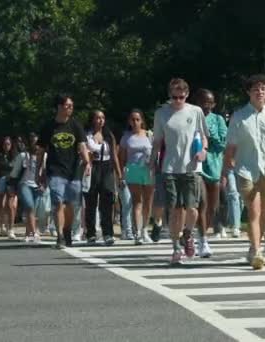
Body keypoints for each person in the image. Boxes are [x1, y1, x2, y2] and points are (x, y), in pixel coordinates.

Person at [223, 74, 265, 270]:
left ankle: (253, 247)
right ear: (248, 93)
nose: (259, 92)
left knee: (264, 212)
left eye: (262, 89)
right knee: (254, 209)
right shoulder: (239, 116)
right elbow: (231, 144)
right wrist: (228, 164)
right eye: (255, 89)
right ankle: (257, 250)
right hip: (246, 169)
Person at [150, 78, 209, 265]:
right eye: (174, 97)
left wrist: (203, 151)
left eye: (181, 97)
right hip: (169, 168)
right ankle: (176, 247)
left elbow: (204, 136)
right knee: (175, 210)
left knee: (192, 208)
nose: (177, 101)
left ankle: (188, 233)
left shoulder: (196, 111)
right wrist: (153, 160)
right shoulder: (161, 114)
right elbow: (158, 141)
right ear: (169, 95)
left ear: (187, 95)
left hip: (191, 167)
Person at [37, 94, 91, 249]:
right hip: (55, 170)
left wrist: (87, 162)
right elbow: (40, 151)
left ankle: (67, 230)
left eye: (72, 106)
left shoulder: (75, 125)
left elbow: (82, 145)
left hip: (74, 171)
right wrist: (38, 171)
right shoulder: (48, 127)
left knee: (71, 204)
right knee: (58, 202)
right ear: (59, 107)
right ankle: (60, 235)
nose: (71, 108)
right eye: (68, 105)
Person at [84, 110, 122, 246]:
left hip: (106, 167)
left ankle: (108, 233)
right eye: (97, 118)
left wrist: (119, 174)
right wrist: (88, 156)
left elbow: (114, 156)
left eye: (102, 118)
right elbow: (81, 151)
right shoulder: (86, 135)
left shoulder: (108, 135)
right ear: (92, 119)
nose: (100, 120)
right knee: (90, 201)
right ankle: (91, 233)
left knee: (107, 201)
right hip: (92, 167)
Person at [195, 89, 227, 239]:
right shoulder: (193, 117)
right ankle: (200, 233)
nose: (206, 105)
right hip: (197, 165)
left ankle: (205, 231)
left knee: (213, 205)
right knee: (201, 202)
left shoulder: (218, 119)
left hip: (214, 164)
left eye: (210, 102)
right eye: (203, 102)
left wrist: (211, 135)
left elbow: (223, 143)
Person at [120, 109, 155, 245]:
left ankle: (145, 229)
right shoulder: (126, 137)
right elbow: (122, 157)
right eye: (132, 120)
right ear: (129, 121)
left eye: (137, 119)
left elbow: (156, 151)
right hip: (133, 169)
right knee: (137, 201)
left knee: (148, 201)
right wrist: (122, 173)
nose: (135, 122)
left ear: (142, 121)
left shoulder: (149, 135)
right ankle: (137, 232)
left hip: (148, 169)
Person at [10, 134, 42, 242]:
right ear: (30, 144)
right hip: (24, 184)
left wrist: (44, 185)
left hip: (38, 186)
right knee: (29, 207)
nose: (36, 145)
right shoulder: (23, 156)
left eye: (38, 143)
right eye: (34, 142)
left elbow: (46, 173)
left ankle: (28, 234)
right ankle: (34, 233)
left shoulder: (44, 156)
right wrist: (12, 187)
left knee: (33, 211)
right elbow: (14, 173)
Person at [0, 136, 18, 239]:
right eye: (4, 144)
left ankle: (11, 229)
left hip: (11, 181)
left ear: (11, 145)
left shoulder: (15, 156)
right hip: (0, 179)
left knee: (10, 205)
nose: (6, 146)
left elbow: (17, 170)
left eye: (8, 144)